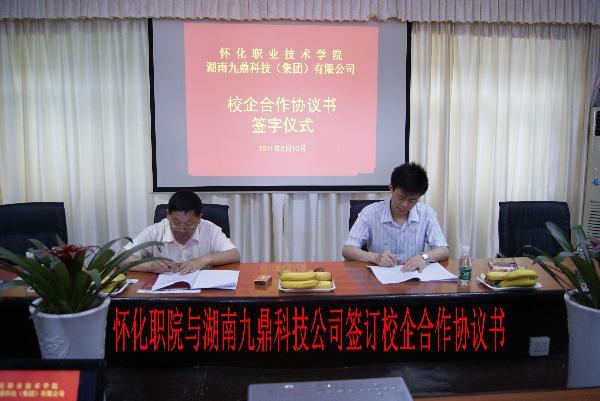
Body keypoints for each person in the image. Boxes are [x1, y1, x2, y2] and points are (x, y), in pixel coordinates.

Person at [342, 162, 449, 272]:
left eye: (412, 200)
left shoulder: (426, 213)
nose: (405, 205)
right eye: (401, 198)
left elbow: (443, 249)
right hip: (379, 278)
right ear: (391, 188)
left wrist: (423, 257)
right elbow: (347, 249)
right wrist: (375, 257)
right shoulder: (370, 213)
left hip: (413, 276)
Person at [126, 191, 240, 274]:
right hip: (164, 295)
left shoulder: (210, 230)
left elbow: (234, 254)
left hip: (203, 292)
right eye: (176, 222)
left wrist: (203, 260)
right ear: (168, 215)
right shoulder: (155, 231)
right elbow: (122, 258)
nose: (181, 229)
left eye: (189, 224)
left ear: (199, 218)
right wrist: (150, 265)